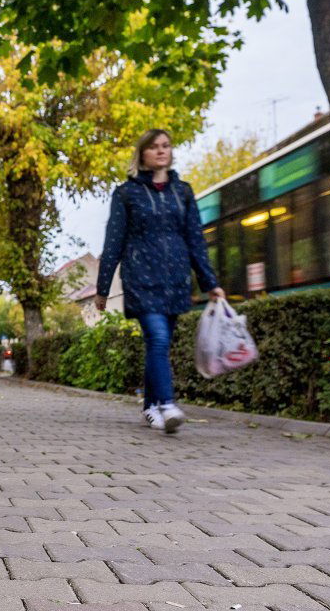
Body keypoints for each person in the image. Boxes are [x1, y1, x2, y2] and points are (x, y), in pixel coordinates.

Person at [95, 129, 225, 433]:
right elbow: (113, 242)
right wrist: (102, 289)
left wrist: (210, 283)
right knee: (158, 337)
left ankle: (150, 407)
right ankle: (167, 404)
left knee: (160, 345)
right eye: (153, 147)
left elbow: (195, 240)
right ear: (142, 155)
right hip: (141, 278)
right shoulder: (126, 194)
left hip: (176, 280)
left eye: (166, 146)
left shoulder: (183, 192)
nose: (161, 151)